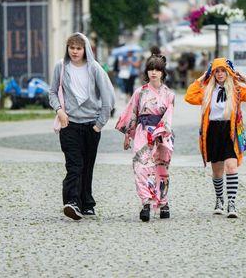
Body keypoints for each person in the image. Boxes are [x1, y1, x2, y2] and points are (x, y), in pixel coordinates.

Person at [48, 32, 116, 220]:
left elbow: (107, 97)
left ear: (85, 50)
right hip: (69, 124)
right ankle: (72, 202)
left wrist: (100, 124)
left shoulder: (94, 68)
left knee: (87, 166)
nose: (75, 51)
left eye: (79, 48)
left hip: (91, 126)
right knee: (74, 165)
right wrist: (59, 111)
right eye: (72, 48)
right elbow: (52, 92)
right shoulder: (61, 67)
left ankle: (87, 203)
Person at [184, 57, 246, 218]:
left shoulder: (236, 90)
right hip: (213, 132)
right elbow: (189, 96)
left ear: (228, 73)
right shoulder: (207, 91)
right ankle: (219, 199)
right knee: (217, 171)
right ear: (212, 74)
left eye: (223, 71)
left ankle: (231, 203)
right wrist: (201, 78)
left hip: (230, 131)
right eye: (216, 71)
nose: (220, 74)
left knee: (231, 167)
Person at [115, 54, 175, 222]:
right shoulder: (140, 92)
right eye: (150, 69)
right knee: (141, 166)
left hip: (162, 135)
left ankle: (163, 202)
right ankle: (146, 202)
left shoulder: (169, 94)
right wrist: (128, 135)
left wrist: (161, 131)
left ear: (163, 72)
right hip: (142, 133)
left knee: (161, 169)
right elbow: (132, 113)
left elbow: (168, 117)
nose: (153, 72)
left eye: (157, 69)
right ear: (146, 72)